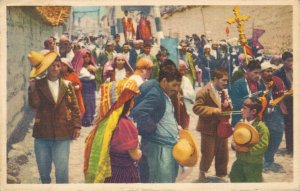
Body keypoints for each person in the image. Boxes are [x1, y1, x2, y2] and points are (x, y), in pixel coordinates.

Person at [28, 51, 81, 183]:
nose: (55, 68)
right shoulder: (39, 85)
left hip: (62, 133)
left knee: (62, 173)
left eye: (58, 65)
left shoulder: (67, 85)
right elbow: (34, 105)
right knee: (44, 173)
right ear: (47, 67)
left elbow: (75, 107)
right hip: (42, 134)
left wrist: (77, 126)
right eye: (52, 66)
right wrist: (33, 89)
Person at [131, 60, 182, 183]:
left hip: (164, 148)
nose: (177, 89)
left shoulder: (162, 92)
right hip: (159, 150)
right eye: (174, 85)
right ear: (164, 81)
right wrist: (153, 129)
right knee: (161, 181)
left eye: (178, 85)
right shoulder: (156, 95)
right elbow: (139, 112)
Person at [84, 79, 141, 183]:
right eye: (132, 100)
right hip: (123, 174)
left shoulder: (105, 122)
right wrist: (140, 152)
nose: (133, 104)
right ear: (125, 102)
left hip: (109, 173)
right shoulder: (126, 125)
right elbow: (134, 155)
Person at [193, 67, 230, 182]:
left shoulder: (223, 91)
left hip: (221, 126)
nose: (226, 83)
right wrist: (213, 110)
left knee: (223, 152)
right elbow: (196, 108)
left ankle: (221, 173)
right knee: (208, 153)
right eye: (223, 80)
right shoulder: (204, 91)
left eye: (226, 80)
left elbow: (225, 110)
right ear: (215, 79)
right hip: (208, 128)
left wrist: (227, 105)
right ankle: (202, 173)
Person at [229, 98, 269, 182]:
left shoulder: (261, 127)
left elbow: (263, 145)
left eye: (244, 108)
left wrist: (248, 149)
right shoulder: (241, 123)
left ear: (253, 111)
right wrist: (234, 145)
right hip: (239, 161)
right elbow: (235, 137)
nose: (241, 110)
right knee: (235, 179)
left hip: (253, 164)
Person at [259, 61, 286, 167]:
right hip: (261, 113)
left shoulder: (277, 81)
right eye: (268, 71)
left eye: (272, 71)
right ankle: (262, 157)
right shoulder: (257, 83)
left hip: (276, 112)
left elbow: (283, 95)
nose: (270, 73)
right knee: (263, 136)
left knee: (278, 133)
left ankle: (269, 156)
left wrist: (276, 102)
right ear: (261, 73)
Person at [230, 60, 263, 126]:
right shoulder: (238, 84)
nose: (258, 76)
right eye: (255, 73)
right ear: (248, 71)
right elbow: (236, 102)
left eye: (259, 73)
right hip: (240, 119)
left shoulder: (259, 84)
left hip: (254, 120)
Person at [274, 51, 293, 154]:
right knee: (289, 125)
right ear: (283, 61)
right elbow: (276, 90)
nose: (291, 63)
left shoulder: (294, 71)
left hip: (294, 101)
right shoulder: (278, 73)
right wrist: (281, 103)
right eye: (288, 61)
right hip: (285, 102)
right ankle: (290, 147)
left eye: (292, 61)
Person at [78, 50, 98, 127]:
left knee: (91, 102)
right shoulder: (79, 67)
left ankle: (90, 119)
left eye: (88, 56)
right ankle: (83, 119)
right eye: (84, 57)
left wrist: (95, 70)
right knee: (83, 101)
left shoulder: (93, 66)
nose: (86, 58)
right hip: (83, 85)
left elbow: (98, 77)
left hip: (91, 85)